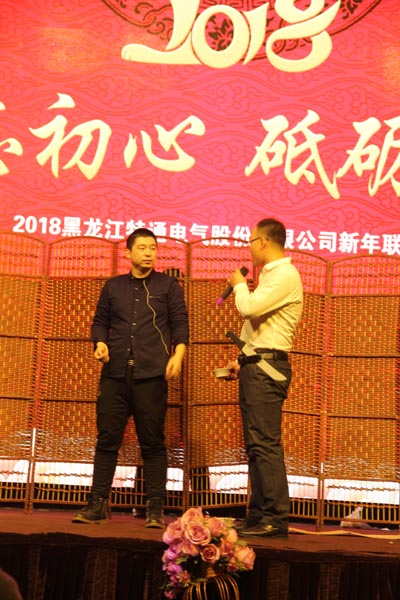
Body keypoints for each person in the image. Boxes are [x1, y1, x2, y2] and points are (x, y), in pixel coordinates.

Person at [73, 228, 189, 528]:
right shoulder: (113, 286)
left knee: (152, 443)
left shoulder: (168, 286)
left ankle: (155, 509)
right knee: (107, 441)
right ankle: (97, 504)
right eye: (142, 248)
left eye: (153, 248)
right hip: (115, 374)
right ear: (129, 253)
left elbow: (180, 324)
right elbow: (100, 322)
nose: (148, 253)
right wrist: (100, 343)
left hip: (151, 375)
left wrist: (177, 355)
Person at [226, 218, 303, 538]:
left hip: (267, 368)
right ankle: (258, 514)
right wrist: (241, 359)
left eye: (250, 240)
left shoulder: (284, 274)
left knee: (265, 443)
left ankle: (275, 517)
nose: (250, 247)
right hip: (256, 364)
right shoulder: (272, 275)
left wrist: (238, 284)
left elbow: (249, 308)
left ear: (263, 242)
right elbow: (258, 327)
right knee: (255, 445)